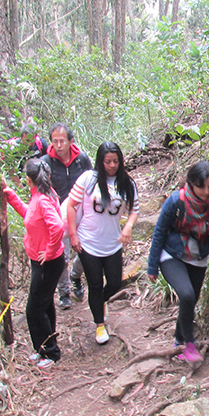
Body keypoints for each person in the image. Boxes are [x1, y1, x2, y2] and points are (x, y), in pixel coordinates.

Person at [145, 161, 209, 362]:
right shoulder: (176, 201)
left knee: (190, 300)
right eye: (204, 187)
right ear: (192, 184)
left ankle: (178, 341)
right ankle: (189, 345)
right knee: (186, 294)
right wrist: (152, 265)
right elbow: (159, 232)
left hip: (198, 258)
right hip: (172, 254)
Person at [63, 141, 139, 345]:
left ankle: (101, 302)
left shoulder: (127, 183)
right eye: (107, 162)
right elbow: (71, 205)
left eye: (115, 161)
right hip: (88, 243)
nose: (112, 165)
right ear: (100, 162)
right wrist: (73, 235)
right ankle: (99, 325)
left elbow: (135, 209)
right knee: (95, 285)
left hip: (113, 243)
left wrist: (128, 226)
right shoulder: (88, 179)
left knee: (114, 283)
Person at [0, 157, 67, 367]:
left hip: (48, 262)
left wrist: (49, 251)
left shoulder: (43, 200)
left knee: (34, 309)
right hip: (41, 261)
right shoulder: (40, 195)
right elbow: (30, 216)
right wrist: (11, 196)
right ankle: (44, 348)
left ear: (29, 180)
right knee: (45, 305)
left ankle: (50, 353)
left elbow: (57, 227)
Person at [33, 124, 89, 309]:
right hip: (57, 216)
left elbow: (92, 180)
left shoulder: (81, 159)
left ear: (71, 141)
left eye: (62, 141)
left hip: (82, 212)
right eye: (54, 141)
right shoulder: (45, 162)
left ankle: (76, 277)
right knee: (61, 256)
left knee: (86, 250)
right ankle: (64, 293)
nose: (58, 145)